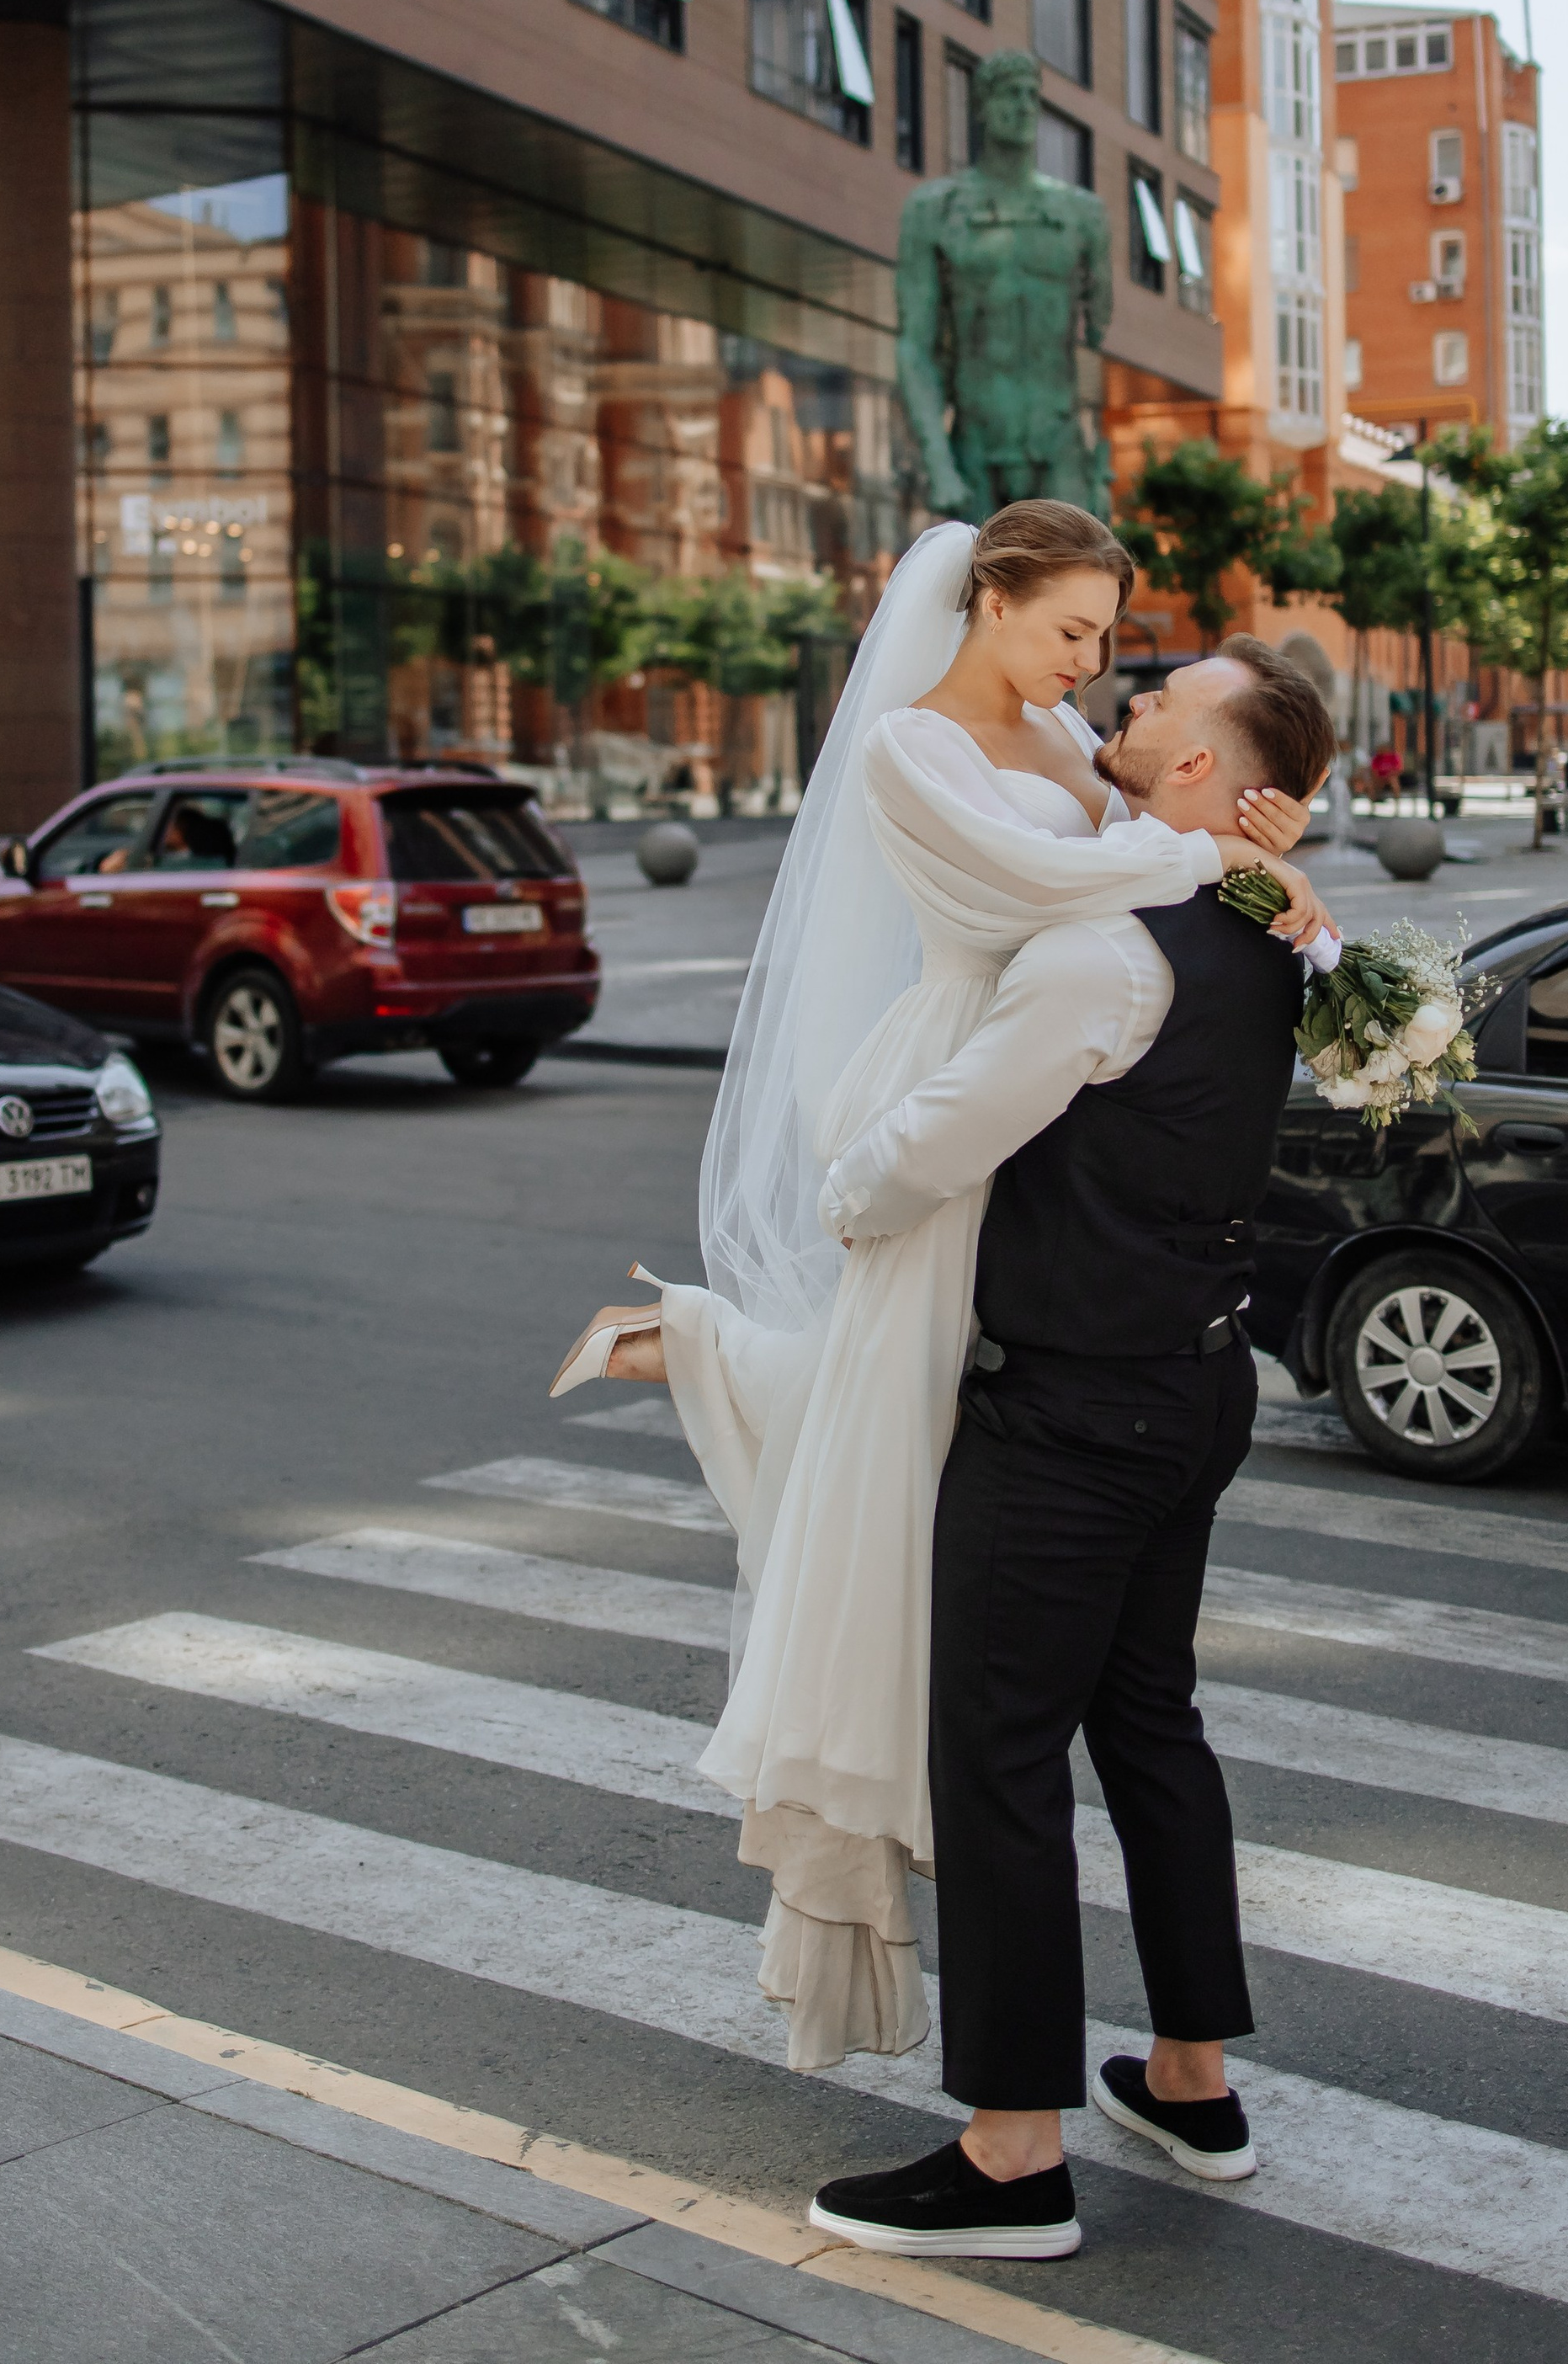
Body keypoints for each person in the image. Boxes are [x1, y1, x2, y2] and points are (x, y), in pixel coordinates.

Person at [550, 509, 1333, 2068]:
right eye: (1077, 633)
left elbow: (1123, 876)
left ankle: (1020, 2143)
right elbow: (1042, 882)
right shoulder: (925, 753)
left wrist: (1266, 864)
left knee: (972, 1639)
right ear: (989, 602)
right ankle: (1183, 2079)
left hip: (1054, 1237)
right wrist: (1244, 860)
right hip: (1022, 1141)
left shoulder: (1093, 804)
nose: (1098, 674)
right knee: (927, 1479)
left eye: (1119, 650)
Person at [801, 638, 1338, 2261]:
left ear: (1203, 769)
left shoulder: (1109, 955)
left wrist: (836, 1196)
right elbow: (1329, 986)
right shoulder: (1276, 927)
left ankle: (1012, 2157)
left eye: (1165, 700)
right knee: (1152, 1725)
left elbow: (937, 1141)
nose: (1132, 698)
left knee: (1001, 1757)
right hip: (1199, 1387)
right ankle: (1190, 2080)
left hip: (1072, 1412)